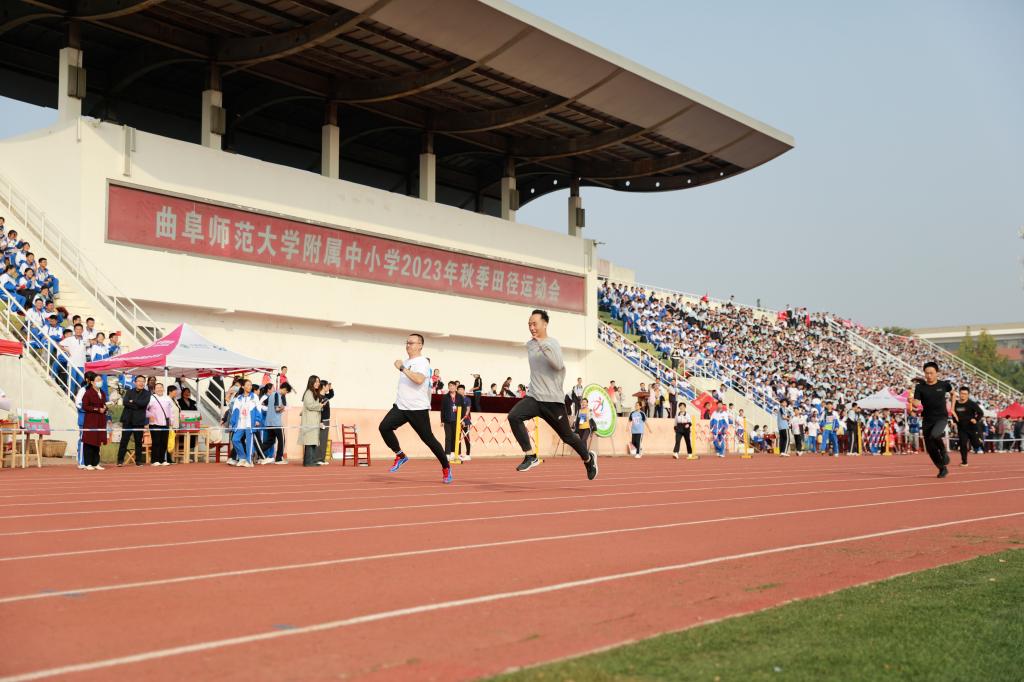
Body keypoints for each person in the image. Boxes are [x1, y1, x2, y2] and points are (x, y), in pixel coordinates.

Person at [506, 310, 597, 479]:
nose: (531, 327)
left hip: (552, 401)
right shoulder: (530, 344)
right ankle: (530, 455)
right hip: (534, 397)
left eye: (535, 324)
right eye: (529, 324)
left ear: (545, 324)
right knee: (514, 416)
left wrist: (542, 345)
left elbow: (557, 365)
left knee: (568, 437)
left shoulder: (552, 343)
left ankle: (588, 458)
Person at [379, 333, 452, 483]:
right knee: (384, 427)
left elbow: (419, 380)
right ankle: (400, 455)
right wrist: (403, 366)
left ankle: (446, 467)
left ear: (420, 345)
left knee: (429, 439)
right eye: (407, 342)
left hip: (417, 409)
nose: (408, 345)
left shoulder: (423, 362)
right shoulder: (407, 361)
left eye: (411, 343)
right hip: (401, 406)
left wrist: (402, 368)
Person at [908, 361, 954, 478]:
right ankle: (942, 468)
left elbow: (953, 394)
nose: (929, 375)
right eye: (927, 373)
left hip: (941, 417)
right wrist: (911, 401)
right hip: (927, 419)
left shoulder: (944, 385)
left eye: (931, 373)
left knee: (935, 435)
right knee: (930, 448)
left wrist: (952, 409)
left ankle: (943, 452)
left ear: (936, 373)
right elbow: (917, 404)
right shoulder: (920, 387)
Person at [116, 375, 150, 466]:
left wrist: (133, 401)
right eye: (139, 381)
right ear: (135, 382)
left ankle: (138, 461)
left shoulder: (147, 393)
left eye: (143, 381)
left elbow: (144, 404)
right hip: (127, 419)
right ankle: (120, 460)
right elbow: (125, 402)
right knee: (124, 440)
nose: (141, 383)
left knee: (139, 441)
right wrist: (135, 403)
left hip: (139, 421)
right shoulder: (129, 391)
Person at [228, 379, 262, 468]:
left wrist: (258, 420)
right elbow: (234, 411)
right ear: (243, 387)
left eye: (251, 385)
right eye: (248, 385)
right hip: (240, 423)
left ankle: (249, 461)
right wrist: (233, 422)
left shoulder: (254, 396)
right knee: (235, 439)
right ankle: (242, 458)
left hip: (250, 423)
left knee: (249, 442)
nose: (250, 387)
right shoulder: (239, 398)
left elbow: (258, 409)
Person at [81, 373, 108, 470]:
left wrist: (105, 408)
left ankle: (96, 463)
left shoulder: (103, 393)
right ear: (92, 382)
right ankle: (88, 463)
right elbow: (84, 406)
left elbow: (104, 404)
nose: (100, 382)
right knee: (89, 441)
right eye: (98, 380)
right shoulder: (88, 393)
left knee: (97, 441)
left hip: (100, 420)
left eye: (101, 380)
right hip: (91, 420)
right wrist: (97, 409)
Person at [951, 386, 983, 467]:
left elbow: (980, 412)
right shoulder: (956, 404)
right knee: (963, 444)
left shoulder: (971, 403)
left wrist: (976, 419)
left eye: (965, 394)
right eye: (961, 393)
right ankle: (964, 461)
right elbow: (953, 413)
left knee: (976, 444)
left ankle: (980, 442)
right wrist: (954, 421)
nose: (963, 395)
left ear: (968, 395)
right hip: (962, 428)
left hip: (972, 427)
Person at [260, 382, 291, 464]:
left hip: (269, 422)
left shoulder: (270, 395)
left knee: (270, 441)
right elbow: (277, 409)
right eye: (286, 392)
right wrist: (283, 408)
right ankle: (278, 459)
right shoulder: (277, 395)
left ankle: (258, 451)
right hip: (276, 422)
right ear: (284, 389)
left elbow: (263, 403)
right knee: (281, 440)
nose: (286, 393)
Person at [146, 383, 176, 466]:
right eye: (157, 388)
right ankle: (154, 460)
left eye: (161, 387)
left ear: (163, 389)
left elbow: (171, 411)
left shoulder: (168, 398)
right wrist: (150, 415)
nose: (159, 389)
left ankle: (162, 459)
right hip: (154, 423)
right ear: (154, 389)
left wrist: (171, 421)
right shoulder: (151, 398)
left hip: (165, 423)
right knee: (156, 442)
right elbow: (145, 409)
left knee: (164, 442)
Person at [299, 375, 325, 467]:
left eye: (319, 382)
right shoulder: (308, 392)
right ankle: (308, 462)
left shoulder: (314, 392)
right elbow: (310, 405)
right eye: (316, 381)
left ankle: (312, 460)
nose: (318, 383)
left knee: (313, 441)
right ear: (312, 382)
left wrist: (320, 405)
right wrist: (320, 406)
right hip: (309, 421)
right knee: (309, 441)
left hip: (314, 420)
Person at [317, 379, 335, 465]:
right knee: (320, 440)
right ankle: (318, 459)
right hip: (322, 421)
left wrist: (331, 388)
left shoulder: (326, 397)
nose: (328, 387)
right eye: (327, 385)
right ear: (323, 386)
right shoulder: (318, 397)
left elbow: (332, 394)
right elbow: (318, 411)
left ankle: (322, 458)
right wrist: (320, 422)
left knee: (324, 440)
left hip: (327, 420)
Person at [441, 380, 460, 458]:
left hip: (457, 420)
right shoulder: (445, 397)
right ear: (448, 387)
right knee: (448, 437)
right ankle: (447, 453)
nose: (451, 387)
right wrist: (442, 420)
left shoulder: (460, 397)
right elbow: (442, 409)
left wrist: (462, 420)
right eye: (450, 386)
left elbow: (464, 409)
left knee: (455, 437)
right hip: (447, 420)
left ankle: (454, 453)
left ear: (456, 387)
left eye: (453, 386)